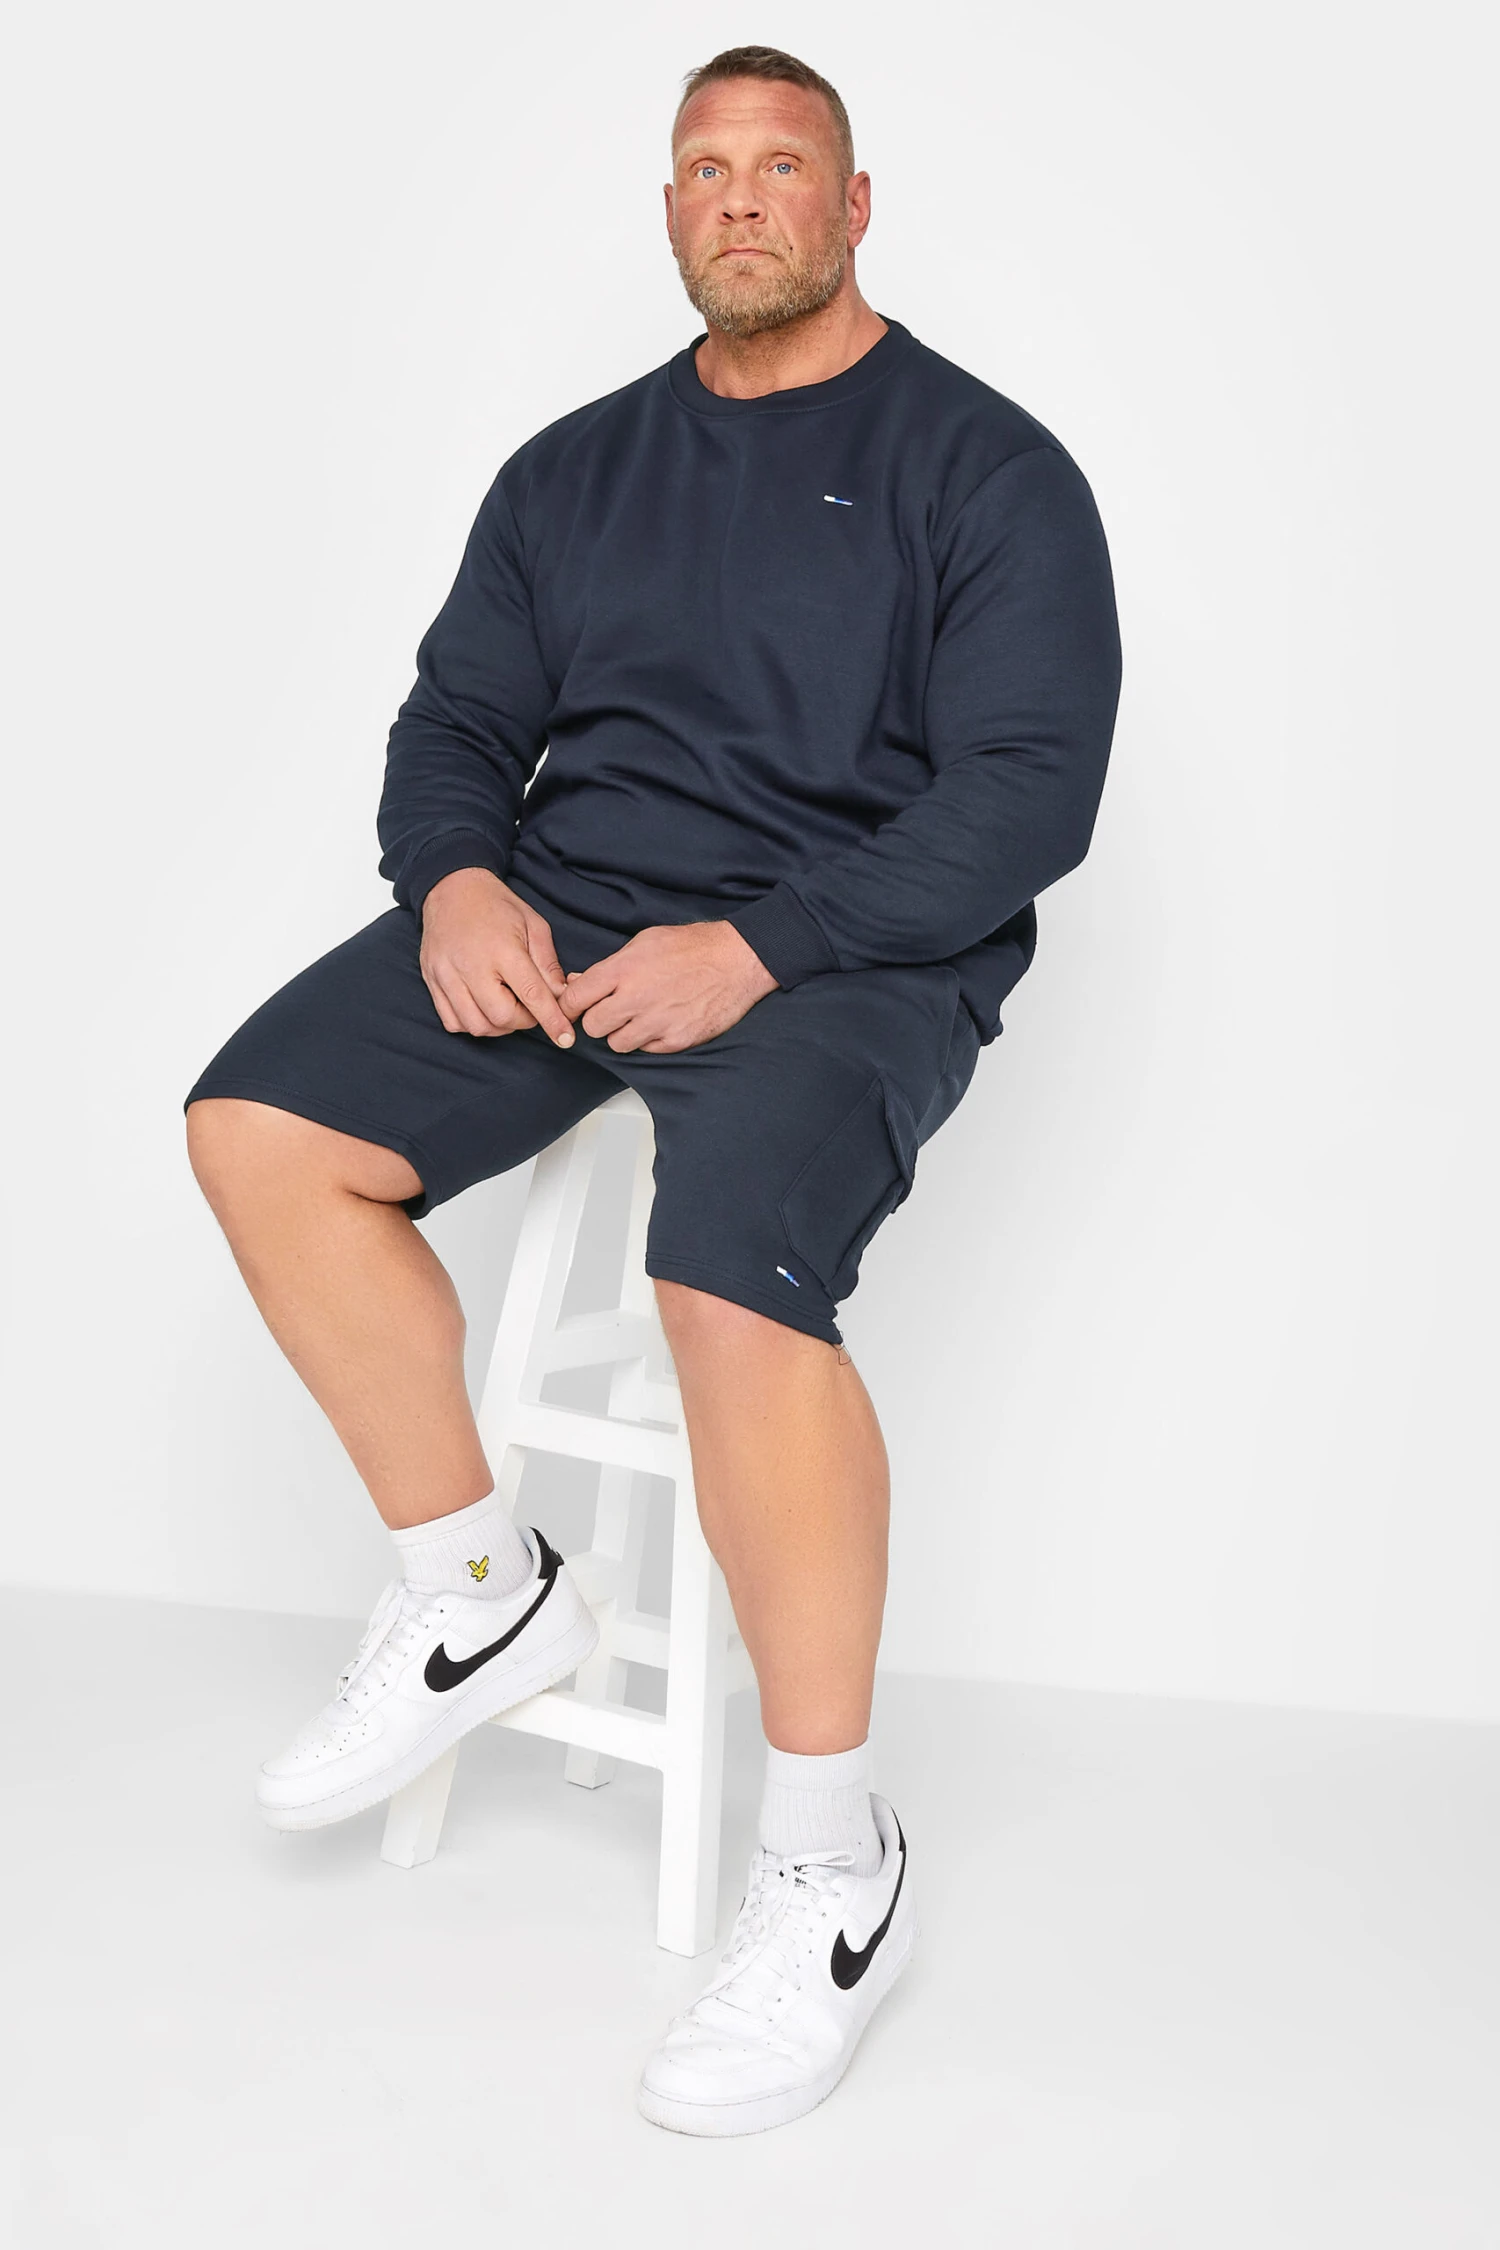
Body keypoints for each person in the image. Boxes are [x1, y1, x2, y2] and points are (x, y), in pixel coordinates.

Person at [183, 42, 1122, 2138]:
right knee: (256, 1130)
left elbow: (1028, 795)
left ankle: (831, 1861)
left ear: (855, 206)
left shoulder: (990, 472)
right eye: (705, 168)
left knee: (725, 1276)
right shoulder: (572, 473)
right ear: (672, 209)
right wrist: (456, 878)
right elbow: (457, 724)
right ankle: (478, 1592)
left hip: (849, 950)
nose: (741, 197)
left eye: (783, 165)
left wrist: (765, 945)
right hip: (574, 920)